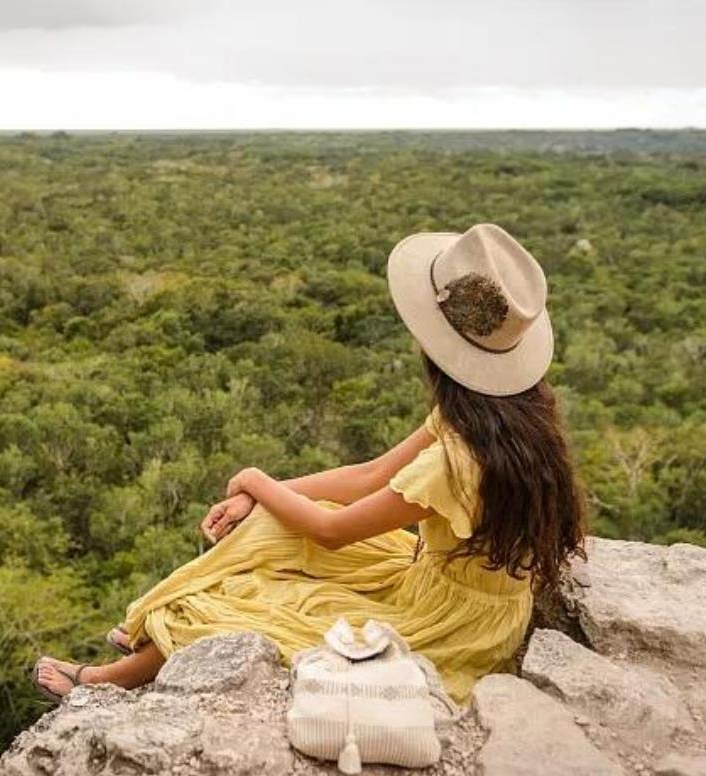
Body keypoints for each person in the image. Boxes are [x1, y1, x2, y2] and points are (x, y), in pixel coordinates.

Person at [33, 223, 589, 705]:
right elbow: (369, 476)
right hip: (452, 582)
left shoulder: (455, 457)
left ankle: (114, 676)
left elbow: (331, 532)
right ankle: (157, 626)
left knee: (253, 606)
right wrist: (263, 493)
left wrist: (253, 478)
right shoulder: (506, 417)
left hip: (451, 621)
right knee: (271, 523)